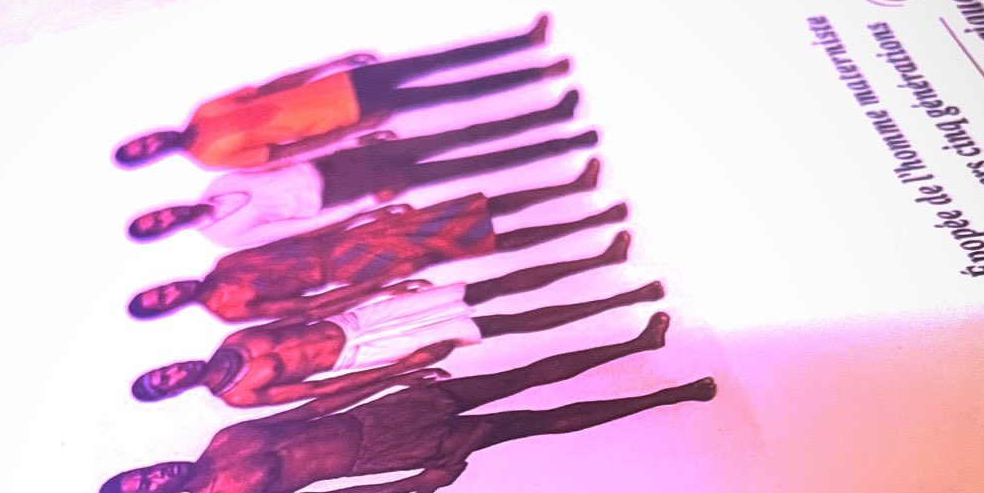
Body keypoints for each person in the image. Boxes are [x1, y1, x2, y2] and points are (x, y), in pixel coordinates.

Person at [99, 341, 715, 493]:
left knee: (517, 376)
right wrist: (418, 480)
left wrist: (393, 374)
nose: (154, 475)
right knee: (534, 424)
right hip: (387, 451)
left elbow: (317, 406)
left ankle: (639, 342)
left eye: (141, 471)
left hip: (380, 414)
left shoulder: (224, 441)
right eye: (146, 487)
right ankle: (674, 394)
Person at [126, 158, 629, 323]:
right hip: (354, 269)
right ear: (170, 309)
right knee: (478, 242)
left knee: (470, 210)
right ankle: (592, 227)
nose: (169, 292)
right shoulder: (228, 308)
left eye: (160, 289)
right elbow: (309, 309)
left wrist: (364, 212)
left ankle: (572, 187)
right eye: (163, 301)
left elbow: (300, 232)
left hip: (352, 237)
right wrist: (378, 287)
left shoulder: (225, 264)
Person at [126, 93, 591, 248]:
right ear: (166, 232)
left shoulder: (219, 182)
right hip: (342, 192)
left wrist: (352, 139)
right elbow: (301, 229)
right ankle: (568, 145)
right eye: (159, 226)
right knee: (464, 165)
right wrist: (369, 203)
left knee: (458, 136)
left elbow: (288, 157)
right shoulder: (224, 236)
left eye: (157, 213)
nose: (166, 216)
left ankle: (553, 114)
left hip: (338, 162)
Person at [131, 278, 669, 410]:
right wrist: (401, 369)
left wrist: (377, 290)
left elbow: (312, 309)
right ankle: (623, 307)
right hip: (362, 354)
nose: (173, 372)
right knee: (497, 324)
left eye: (163, 369)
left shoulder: (234, 338)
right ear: (174, 392)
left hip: (356, 317)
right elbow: (326, 390)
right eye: (166, 383)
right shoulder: (237, 395)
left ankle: (617, 274)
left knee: (480, 290)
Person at [114, 16, 565, 169]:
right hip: (349, 113)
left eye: (142, 139)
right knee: (454, 91)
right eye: (145, 151)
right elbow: (290, 151)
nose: (151, 142)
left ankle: (527, 40)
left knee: (440, 59)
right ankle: (542, 72)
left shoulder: (205, 111)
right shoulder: (210, 157)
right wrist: (353, 133)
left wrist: (333, 62)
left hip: (342, 83)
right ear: (154, 157)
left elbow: (276, 86)